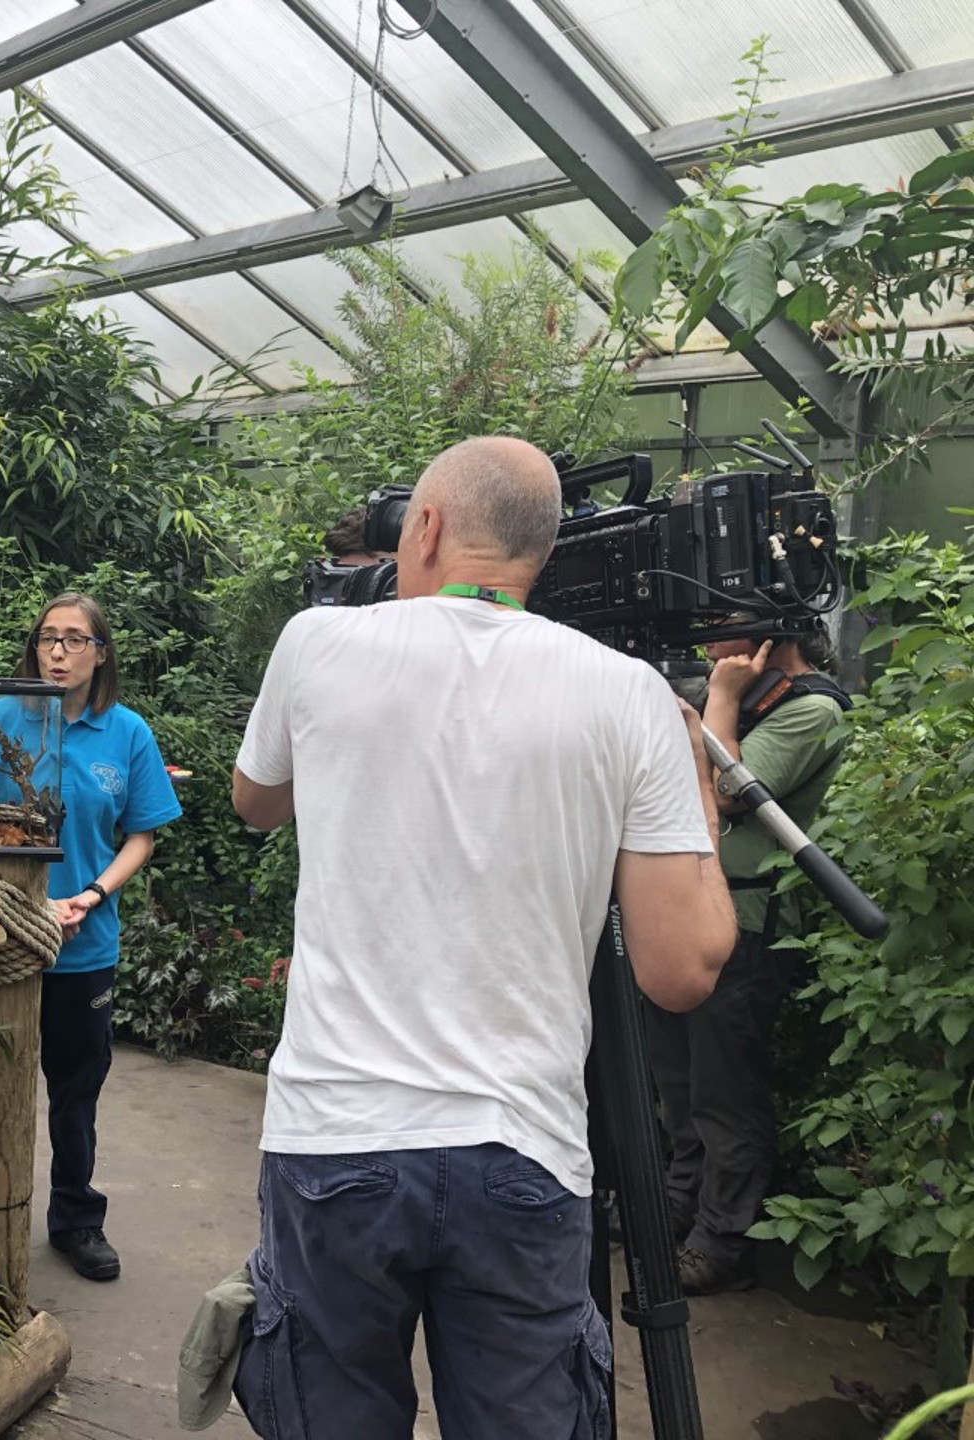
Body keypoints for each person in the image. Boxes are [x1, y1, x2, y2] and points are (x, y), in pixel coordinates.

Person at [229, 436, 736, 1439]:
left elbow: (255, 801)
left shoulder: (317, 645)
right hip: (524, 1153)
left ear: (423, 528)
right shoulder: (626, 693)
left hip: (335, 1141)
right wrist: (699, 805)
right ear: (541, 557)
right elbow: (683, 970)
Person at [648, 625, 850, 1295]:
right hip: (686, 910)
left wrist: (724, 695)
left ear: (769, 636)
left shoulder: (812, 709)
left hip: (748, 923)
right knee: (677, 1077)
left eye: (720, 629)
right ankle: (680, 1202)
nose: (705, 641)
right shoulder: (728, 697)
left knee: (723, 1087)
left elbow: (728, 789)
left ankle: (722, 1235)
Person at [0, 592, 182, 1282]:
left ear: (101, 653)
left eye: (76, 640)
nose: (60, 652)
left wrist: (93, 894)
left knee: (75, 1093)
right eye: (49, 638)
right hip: (2, 940)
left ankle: (76, 1220)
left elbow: (141, 835)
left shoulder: (125, 732)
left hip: (83, 945)